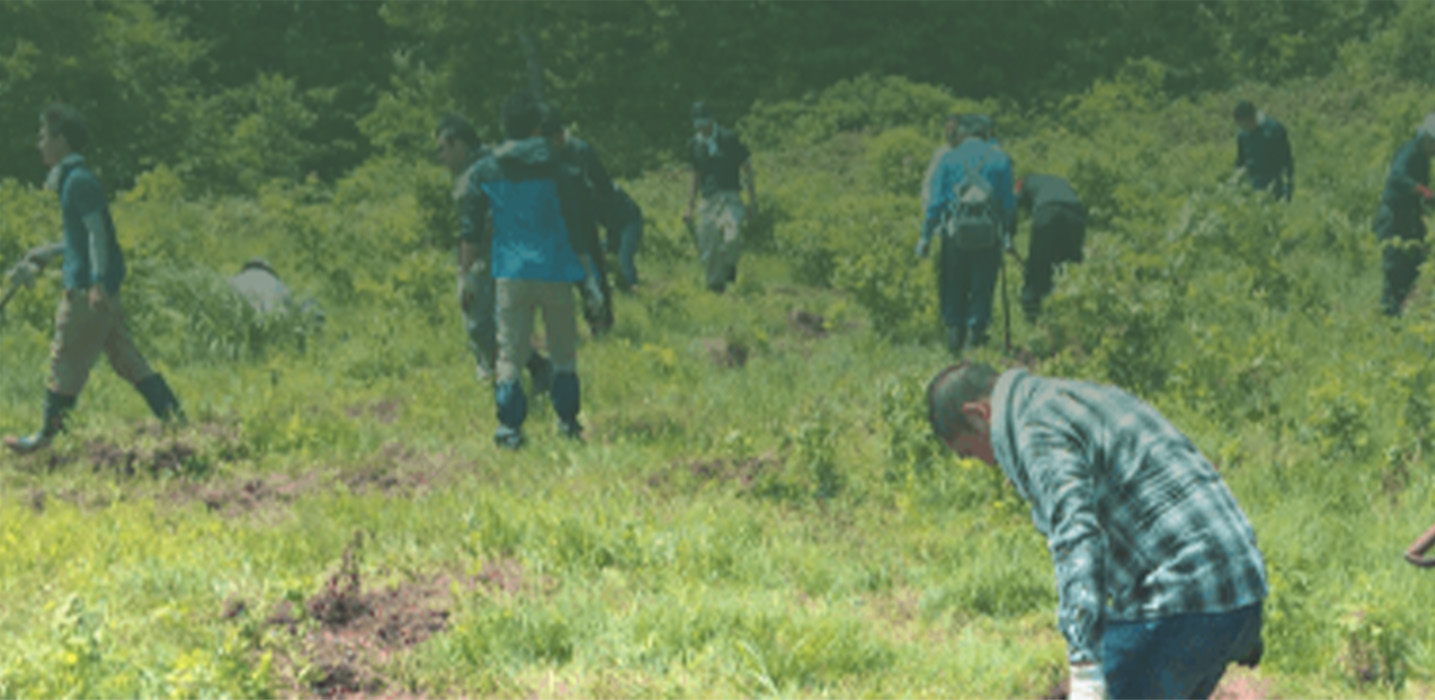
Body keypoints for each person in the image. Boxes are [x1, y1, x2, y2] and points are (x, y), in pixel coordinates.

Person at [926, 361, 1267, 700]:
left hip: (1182, 599)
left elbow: (1076, 541)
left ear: (979, 414)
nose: (988, 462)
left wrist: (1085, 666)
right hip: (1238, 590)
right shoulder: (1082, 397)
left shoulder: (1036, 428)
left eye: (971, 451)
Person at [4, 103, 183, 454]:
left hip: (87, 291)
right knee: (128, 360)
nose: (39, 144)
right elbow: (81, 238)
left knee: (64, 359)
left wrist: (97, 282)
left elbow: (97, 234)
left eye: (44, 136)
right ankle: (176, 418)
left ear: (62, 140)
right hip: (99, 289)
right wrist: (49, 252)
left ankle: (46, 438)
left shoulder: (78, 182)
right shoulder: (75, 179)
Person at [470, 91, 590, 449]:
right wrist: (588, 274)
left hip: (510, 270)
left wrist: (466, 275)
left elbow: (471, 226)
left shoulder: (487, 169)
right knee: (563, 351)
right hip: (554, 267)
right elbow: (574, 221)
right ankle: (567, 422)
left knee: (510, 352)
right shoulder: (557, 165)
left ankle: (509, 428)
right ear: (537, 126)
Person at [434, 113, 553, 388]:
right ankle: (524, 371)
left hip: (498, 254)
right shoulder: (497, 160)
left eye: (443, 149)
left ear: (459, 143)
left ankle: (518, 373)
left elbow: (473, 230)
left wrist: (465, 274)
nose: (441, 157)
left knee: (478, 319)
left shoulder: (474, 176)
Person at [915, 114, 1015, 354]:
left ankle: (954, 338)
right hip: (988, 236)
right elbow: (1008, 205)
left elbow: (936, 203)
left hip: (954, 236)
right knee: (982, 285)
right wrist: (1007, 236)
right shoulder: (1000, 159)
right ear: (985, 133)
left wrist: (925, 237)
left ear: (963, 133)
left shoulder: (948, 158)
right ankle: (975, 337)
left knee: (953, 284)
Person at [539, 105, 614, 334]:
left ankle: (600, 324)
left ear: (560, 134)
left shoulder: (582, 151)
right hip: (554, 225)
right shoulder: (543, 157)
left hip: (584, 221)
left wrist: (606, 222)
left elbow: (605, 187)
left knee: (593, 275)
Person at [683, 101, 757, 293]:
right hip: (708, 199)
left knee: (732, 237)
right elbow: (695, 176)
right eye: (698, 124)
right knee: (707, 243)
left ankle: (729, 266)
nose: (702, 128)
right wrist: (689, 207)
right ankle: (716, 286)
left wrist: (752, 200)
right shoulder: (694, 144)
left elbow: (747, 167)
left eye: (704, 123)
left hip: (730, 196)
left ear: (712, 119)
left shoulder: (728, 138)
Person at [1374, 113, 1435, 317]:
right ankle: (1387, 316)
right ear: (1426, 138)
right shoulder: (1409, 152)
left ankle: (1396, 313)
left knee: (1416, 262)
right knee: (1395, 269)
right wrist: (1421, 190)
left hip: (1410, 218)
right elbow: (1397, 177)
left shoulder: (1424, 160)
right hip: (1392, 217)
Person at [1014, 174, 1086, 320]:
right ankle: (1072, 309)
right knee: (1070, 263)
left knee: (1038, 262)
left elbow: (1012, 202)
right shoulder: (1060, 181)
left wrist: (1007, 233)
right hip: (1075, 212)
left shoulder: (1022, 181)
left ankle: (1032, 310)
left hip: (1047, 210)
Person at [1232, 100, 1294, 201]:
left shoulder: (1273, 130)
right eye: (1240, 126)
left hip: (1275, 182)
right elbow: (1241, 160)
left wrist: (1287, 186)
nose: (1243, 128)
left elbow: (1286, 160)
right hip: (1254, 183)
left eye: (1245, 125)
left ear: (1252, 117)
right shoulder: (1243, 135)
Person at [606, 183, 644, 291]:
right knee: (601, 248)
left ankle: (632, 286)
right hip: (615, 224)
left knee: (625, 256)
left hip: (630, 220)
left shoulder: (607, 191)